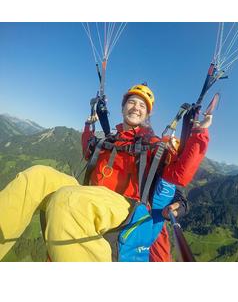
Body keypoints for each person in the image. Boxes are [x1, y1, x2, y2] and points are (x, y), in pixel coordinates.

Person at [0, 84, 212, 262]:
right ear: (122, 108)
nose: (136, 107)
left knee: (70, 201)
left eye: (142, 105)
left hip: (127, 207)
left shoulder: (156, 146)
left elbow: (177, 177)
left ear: (147, 114)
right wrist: (87, 127)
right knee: (37, 176)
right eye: (132, 102)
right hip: (91, 199)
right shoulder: (108, 140)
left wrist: (199, 135)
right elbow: (87, 151)